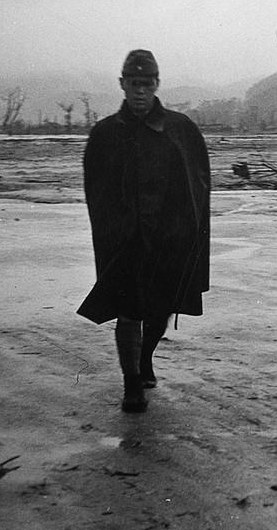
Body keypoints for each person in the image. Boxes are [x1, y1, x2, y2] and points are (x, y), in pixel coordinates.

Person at [77, 49, 211, 413]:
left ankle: (146, 356)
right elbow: (96, 192)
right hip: (127, 241)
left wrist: (189, 231)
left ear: (157, 85)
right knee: (129, 310)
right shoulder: (105, 133)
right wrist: (112, 234)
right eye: (133, 83)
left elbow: (199, 185)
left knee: (161, 309)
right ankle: (131, 383)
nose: (140, 91)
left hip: (171, 239)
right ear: (122, 85)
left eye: (147, 84)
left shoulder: (180, 128)